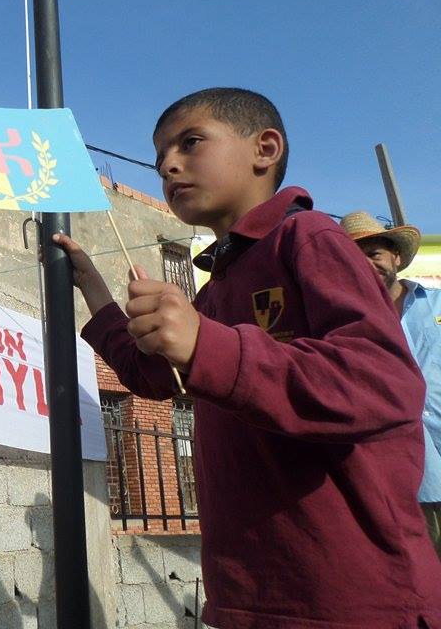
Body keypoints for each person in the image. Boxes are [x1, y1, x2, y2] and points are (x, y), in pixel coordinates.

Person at [54, 88, 441, 627]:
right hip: (250, 594)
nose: (167, 164)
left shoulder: (307, 238)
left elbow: (385, 384)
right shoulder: (216, 289)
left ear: (265, 149)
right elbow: (152, 376)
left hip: (345, 593)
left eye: (190, 143)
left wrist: (204, 343)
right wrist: (94, 288)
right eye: (159, 156)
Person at [341, 210, 441, 560]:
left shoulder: (438, 303)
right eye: (354, 258)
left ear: (396, 256)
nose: (367, 264)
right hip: (415, 478)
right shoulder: (347, 326)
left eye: (374, 254)